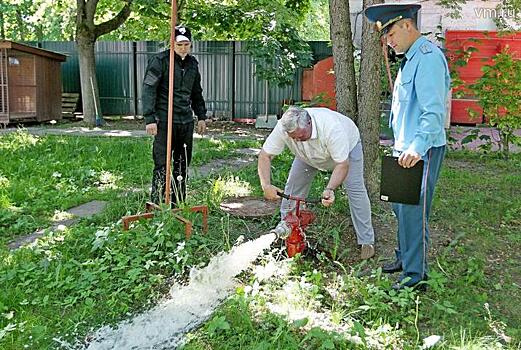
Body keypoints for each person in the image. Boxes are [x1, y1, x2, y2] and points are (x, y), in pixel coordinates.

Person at [364, 4, 450, 290]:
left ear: (407, 26)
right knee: (400, 208)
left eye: (390, 32)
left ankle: (415, 276)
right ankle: (404, 258)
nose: (388, 40)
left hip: (419, 149)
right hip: (403, 147)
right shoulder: (409, 58)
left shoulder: (427, 58)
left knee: (414, 212)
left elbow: (433, 111)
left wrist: (417, 147)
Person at [258, 106, 375, 260]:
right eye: (293, 138)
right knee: (292, 191)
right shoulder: (284, 127)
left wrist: (330, 189)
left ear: (309, 123)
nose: (297, 140)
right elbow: (264, 156)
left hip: (346, 152)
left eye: (300, 136)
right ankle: (286, 232)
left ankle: (367, 241)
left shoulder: (332, 128)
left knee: (355, 189)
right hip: (306, 156)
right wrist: (266, 185)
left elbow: (342, 165)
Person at [142, 25, 208, 206]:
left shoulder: (193, 64)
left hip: (185, 121)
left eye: (186, 44)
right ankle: (157, 202)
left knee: (182, 164)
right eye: (179, 45)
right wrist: (149, 119)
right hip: (164, 120)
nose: (183, 48)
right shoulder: (160, 61)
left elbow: (196, 92)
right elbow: (149, 89)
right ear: (172, 44)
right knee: (162, 163)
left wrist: (201, 116)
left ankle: (178, 203)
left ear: (191, 45)